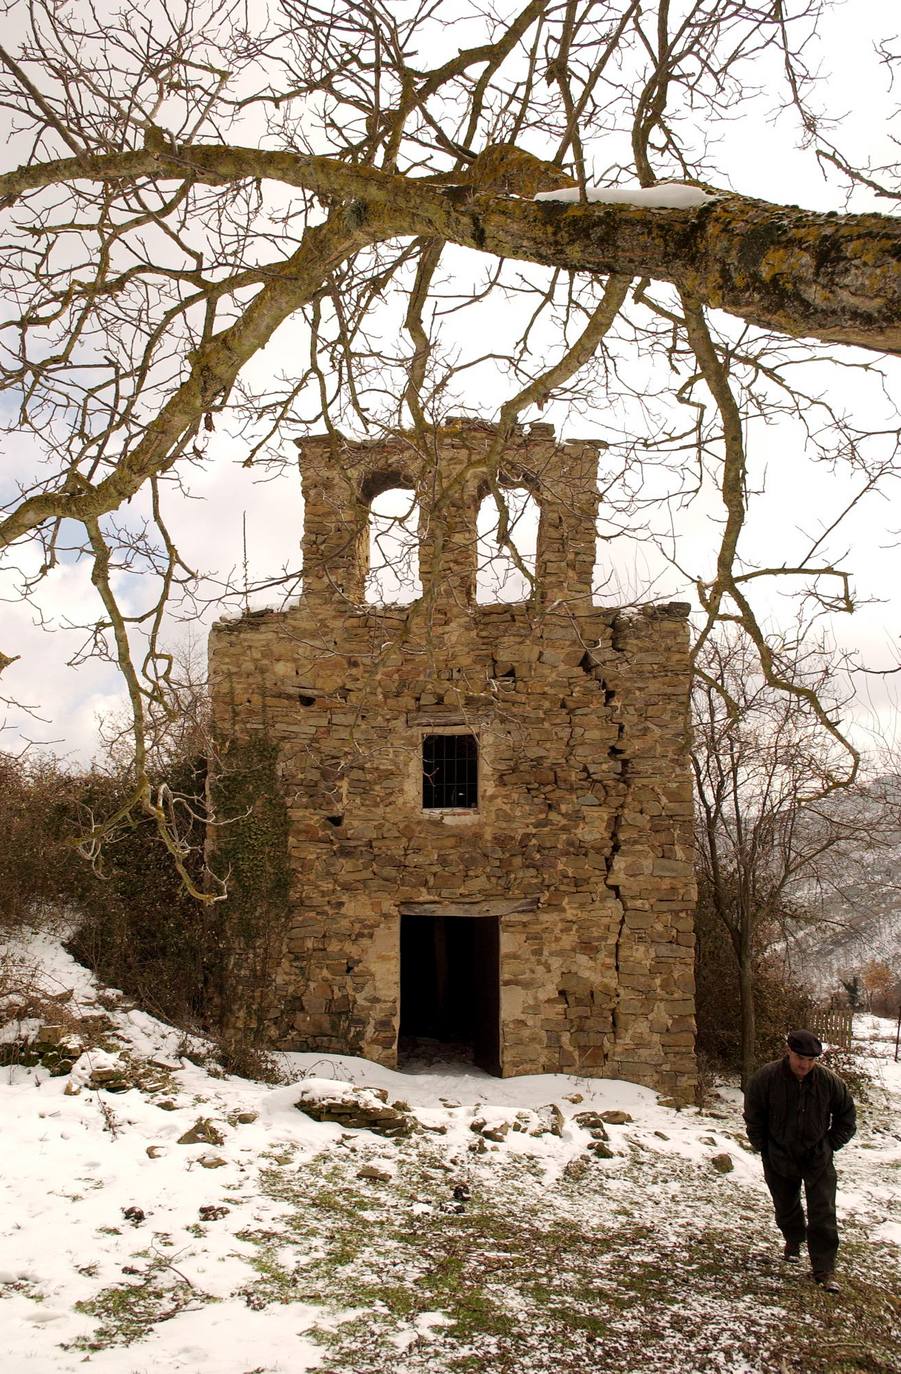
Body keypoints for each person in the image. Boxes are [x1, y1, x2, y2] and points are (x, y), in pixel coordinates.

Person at [743, 1029, 856, 1294]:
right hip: (779, 1154)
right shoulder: (766, 1078)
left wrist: (829, 1144)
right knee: (785, 1206)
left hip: (817, 1157)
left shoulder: (829, 1082)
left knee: (823, 1211)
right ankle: (793, 1240)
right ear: (789, 1052)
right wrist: (764, 1148)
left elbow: (847, 1118)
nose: (804, 1065)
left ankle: (824, 1269)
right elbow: (753, 1115)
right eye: (799, 1058)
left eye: (810, 1060)